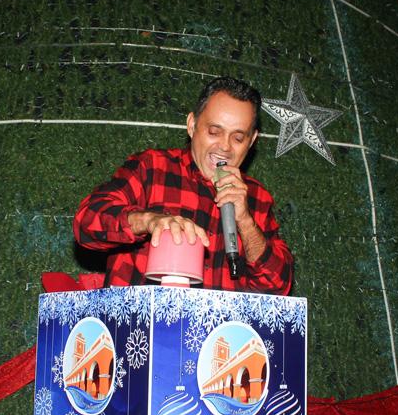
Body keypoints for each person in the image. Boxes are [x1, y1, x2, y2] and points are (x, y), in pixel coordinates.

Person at [74, 77, 293, 294]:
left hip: (220, 319)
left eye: (237, 138)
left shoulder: (257, 197)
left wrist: (245, 222)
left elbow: (278, 287)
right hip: (141, 316)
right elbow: (86, 222)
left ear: (251, 141)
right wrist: (149, 220)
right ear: (192, 125)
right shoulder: (152, 168)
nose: (225, 146)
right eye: (214, 132)